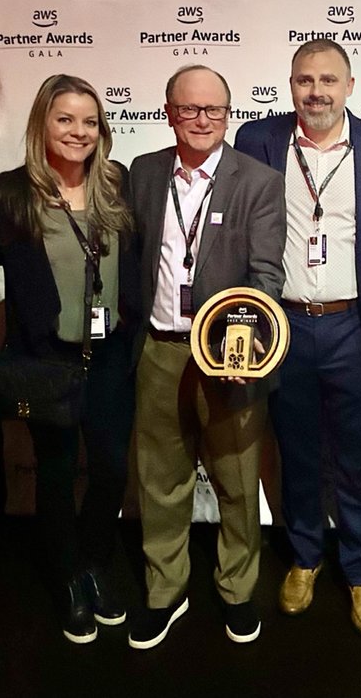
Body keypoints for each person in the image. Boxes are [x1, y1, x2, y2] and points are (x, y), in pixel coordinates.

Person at [234, 39, 361, 637]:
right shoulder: (259, 140)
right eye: (305, 80)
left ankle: (360, 572)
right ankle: (303, 559)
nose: (317, 92)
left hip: (354, 325)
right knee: (297, 453)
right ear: (290, 85)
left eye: (329, 80)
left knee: (356, 458)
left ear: (350, 86)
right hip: (284, 323)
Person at [127, 65, 286, 650]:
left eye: (214, 110)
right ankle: (164, 590)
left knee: (238, 480)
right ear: (169, 111)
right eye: (190, 110)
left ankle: (238, 589)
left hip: (229, 356)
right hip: (160, 349)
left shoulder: (260, 181)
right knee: (160, 478)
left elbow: (267, 273)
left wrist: (251, 341)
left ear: (228, 114)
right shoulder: (143, 174)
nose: (202, 120)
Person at [0, 74, 137, 644]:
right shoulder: (9, 193)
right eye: (65, 119)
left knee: (110, 470)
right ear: (41, 126)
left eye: (89, 121)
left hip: (109, 353)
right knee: (54, 474)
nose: (79, 131)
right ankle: (69, 577)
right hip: (46, 357)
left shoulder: (116, 184)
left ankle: (96, 561)